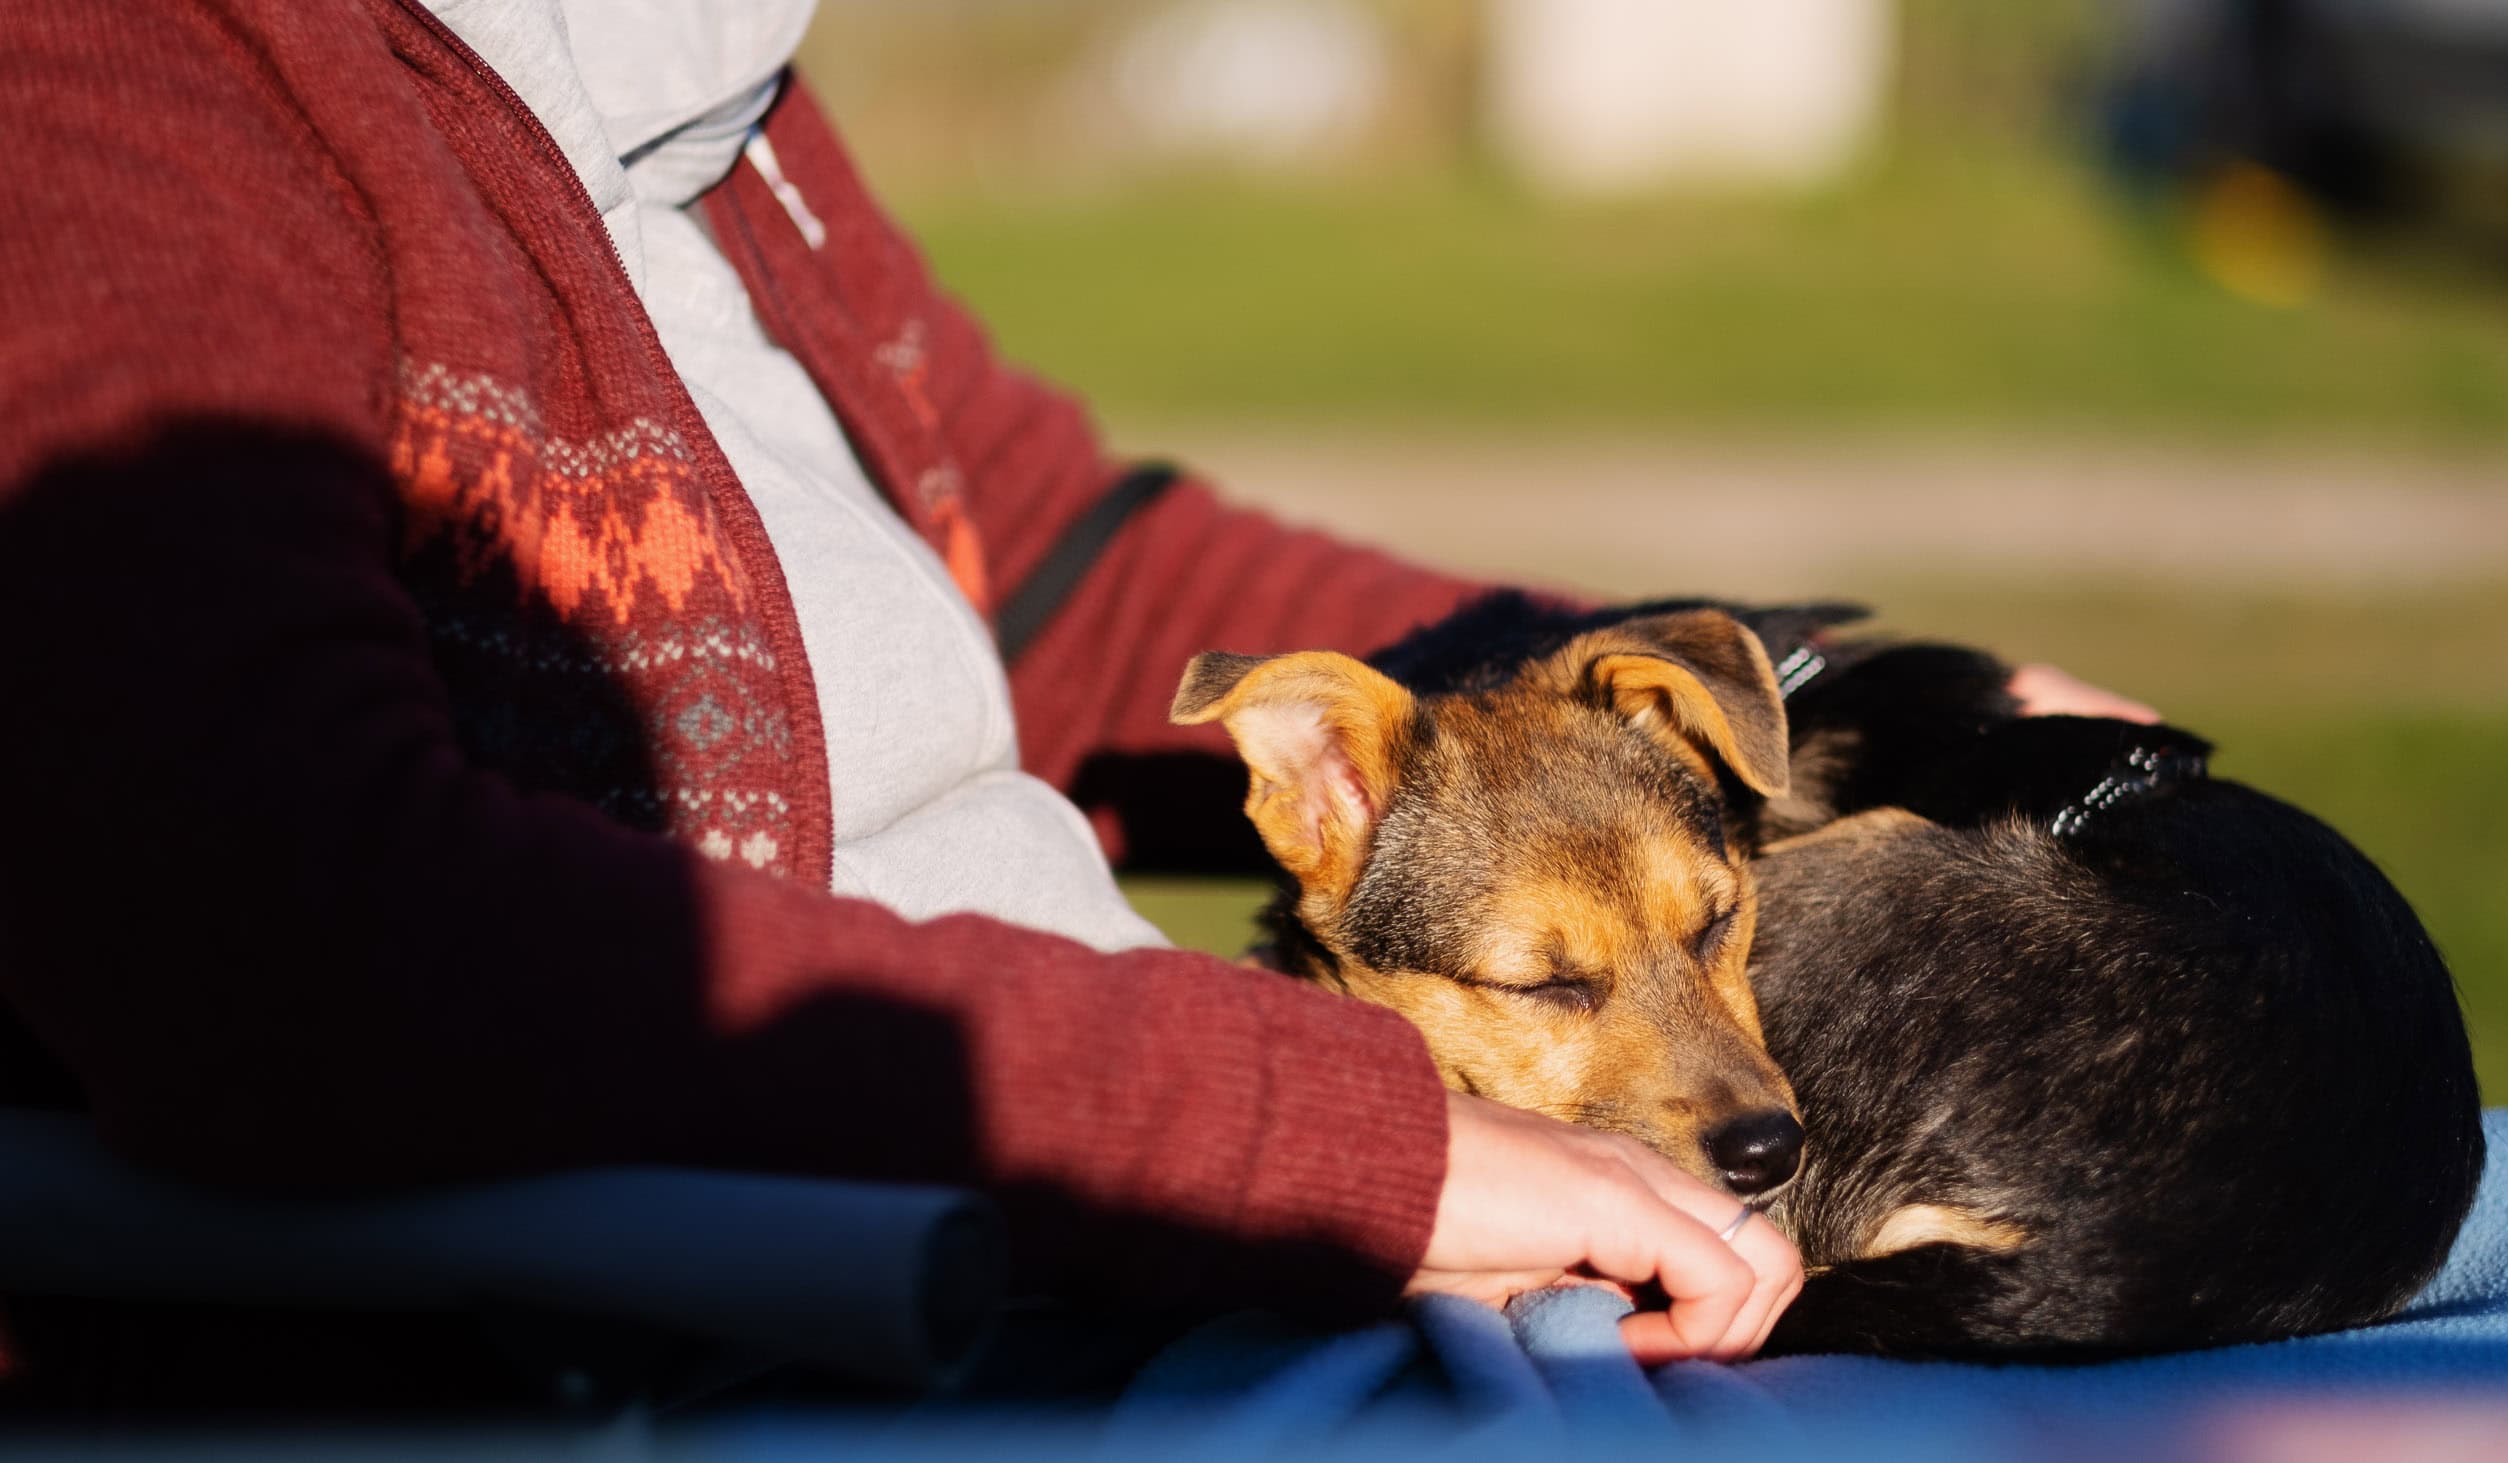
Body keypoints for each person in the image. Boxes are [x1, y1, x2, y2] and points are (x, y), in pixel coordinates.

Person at [0, 0, 2143, 1406]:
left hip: (1099, 1229)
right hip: (745, 1327)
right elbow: (266, 931)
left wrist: (1837, 685)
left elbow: (1046, 562)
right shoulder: (117, 89)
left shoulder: (669, 59)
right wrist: (1326, 1144)